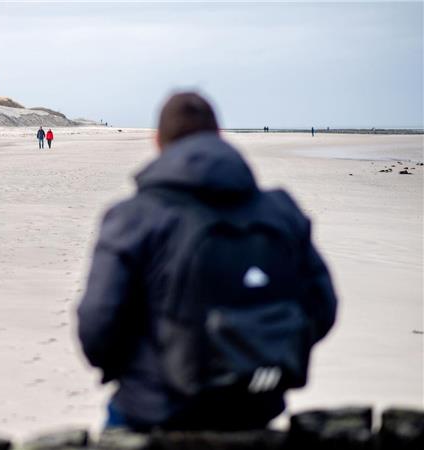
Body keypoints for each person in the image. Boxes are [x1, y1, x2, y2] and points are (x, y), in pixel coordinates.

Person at [77, 92, 337, 432]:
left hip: (153, 411)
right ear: (218, 137)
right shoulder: (281, 211)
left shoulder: (133, 217)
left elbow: (96, 326)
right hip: (255, 409)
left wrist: (143, 372)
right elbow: (323, 307)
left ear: (158, 141)